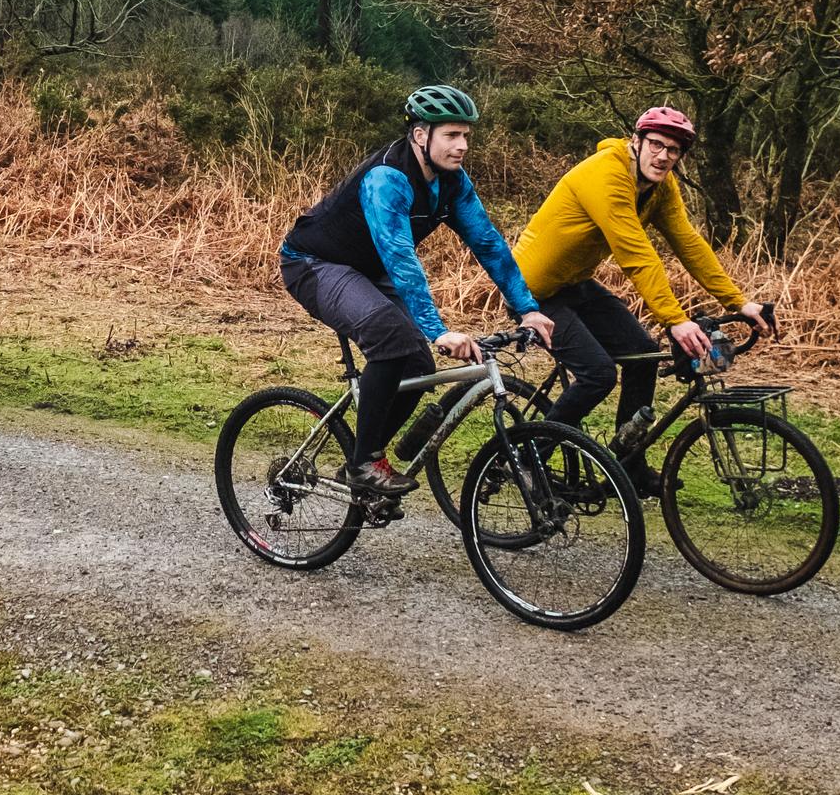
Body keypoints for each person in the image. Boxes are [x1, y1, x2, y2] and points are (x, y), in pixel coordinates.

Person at [279, 85, 554, 505]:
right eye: (451, 135)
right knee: (393, 340)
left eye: (466, 136)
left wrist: (528, 309)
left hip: (369, 270)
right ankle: (364, 464)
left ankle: (362, 458)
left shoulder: (451, 183)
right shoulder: (388, 178)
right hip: (315, 264)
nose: (462, 146)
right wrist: (438, 329)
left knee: (417, 363)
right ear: (420, 135)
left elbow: (489, 245)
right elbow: (400, 256)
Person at [511, 107, 771, 490]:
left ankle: (627, 466)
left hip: (574, 284)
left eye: (674, 150)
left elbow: (689, 244)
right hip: (531, 293)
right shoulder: (607, 174)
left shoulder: (661, 186)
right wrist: (675, 319)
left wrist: (738, 302)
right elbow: (636, 254)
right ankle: (526, 458)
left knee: (642, 355)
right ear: (636, 142)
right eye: (656, 145)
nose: (663, 156)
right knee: (598, 374)